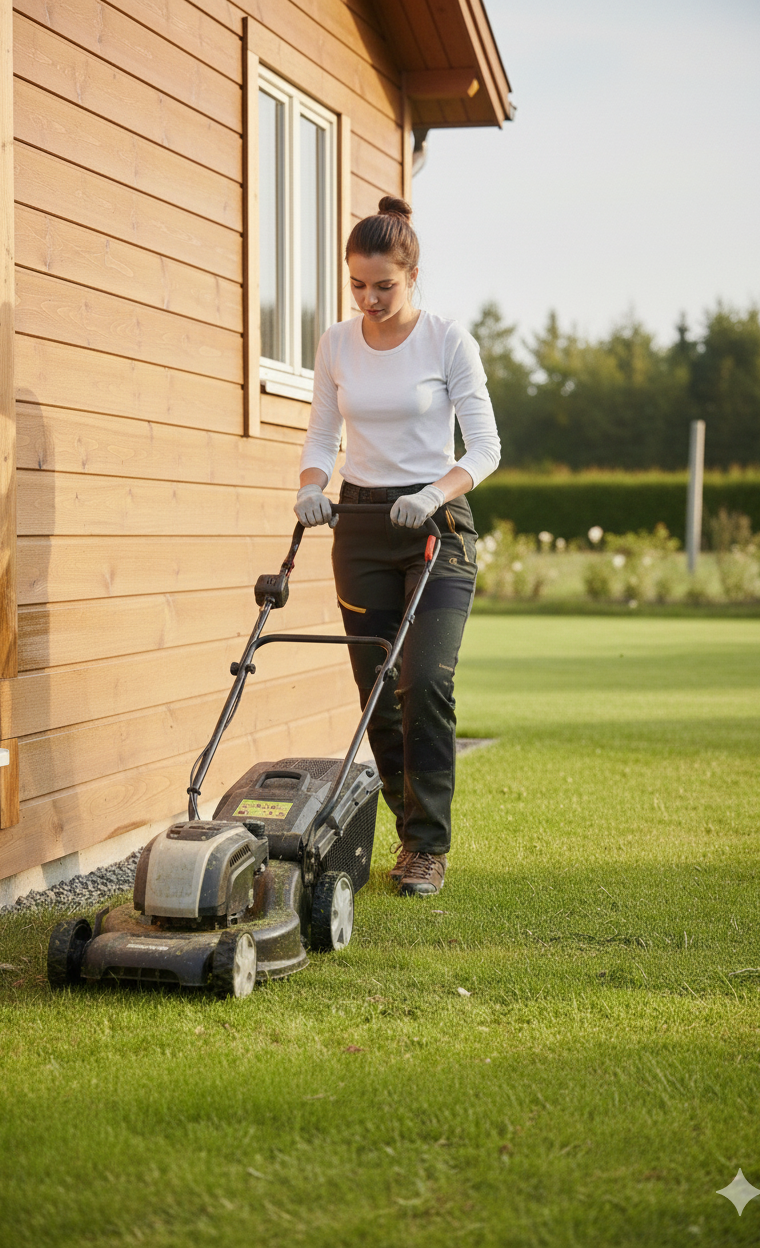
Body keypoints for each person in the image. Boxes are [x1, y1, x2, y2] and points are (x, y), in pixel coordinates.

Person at [294, 197, 500, 896]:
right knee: (377, 690)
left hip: (434, 529)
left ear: (413, 275)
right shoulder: (336, 343)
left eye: (383, 285)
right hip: (358, 525)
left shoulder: (447, 341)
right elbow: (323, 433)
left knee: (425, 681)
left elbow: (487, 448)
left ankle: (428, 847)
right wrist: (311, 485)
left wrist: (433, 493)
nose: (369, 299)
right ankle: (411, 835)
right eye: (357, 284)